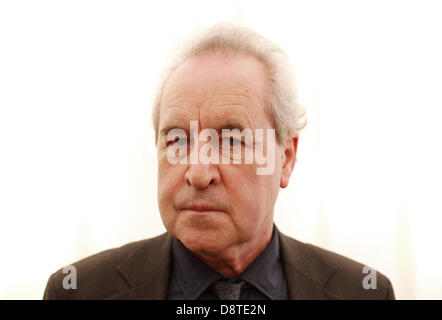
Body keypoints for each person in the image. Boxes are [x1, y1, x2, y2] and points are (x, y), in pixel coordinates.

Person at [43, 23, 395, 300]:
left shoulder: (363, 292)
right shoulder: (77, 291)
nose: (198, 173)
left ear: (285, 158)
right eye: (177, 140)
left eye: (231, 140)